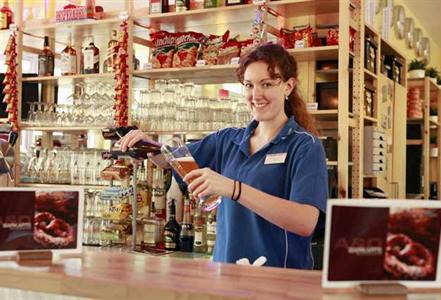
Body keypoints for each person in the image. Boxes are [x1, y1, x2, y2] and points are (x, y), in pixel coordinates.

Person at [119, 42, 328, 269]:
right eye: (249, 85)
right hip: (226, 274)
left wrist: (233, 189)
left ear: (288, 86)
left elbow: (305, 222)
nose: (255, 94)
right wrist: (146, 146)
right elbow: (173, 160)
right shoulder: (228, 140)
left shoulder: (305, 146)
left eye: (266, 84)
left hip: (279, 280)